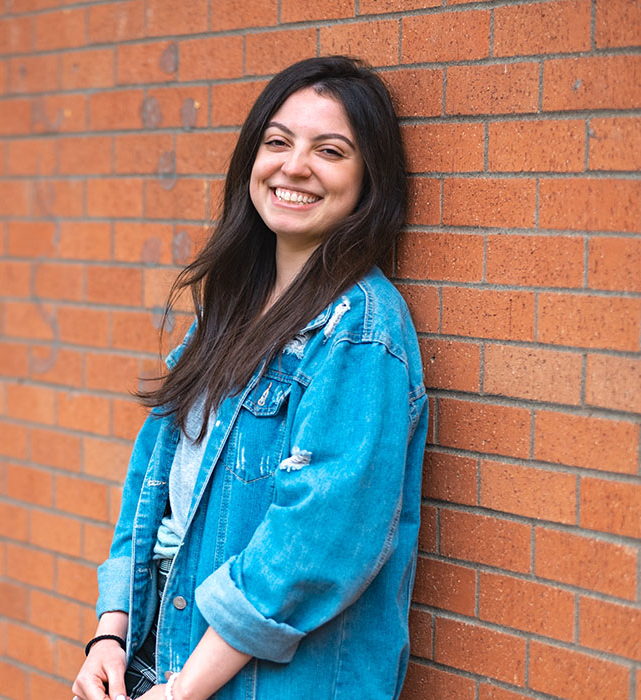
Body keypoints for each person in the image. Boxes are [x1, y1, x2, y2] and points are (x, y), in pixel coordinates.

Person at [71, 56, 428, 700]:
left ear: (369, 178)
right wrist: (111, 634)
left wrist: (184, 691)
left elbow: (315, 543)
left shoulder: (360, 331)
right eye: (278, 141)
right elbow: (152, 482)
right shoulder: (228, 311)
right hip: (162, 660)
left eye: (331, 150)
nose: (295, 166)